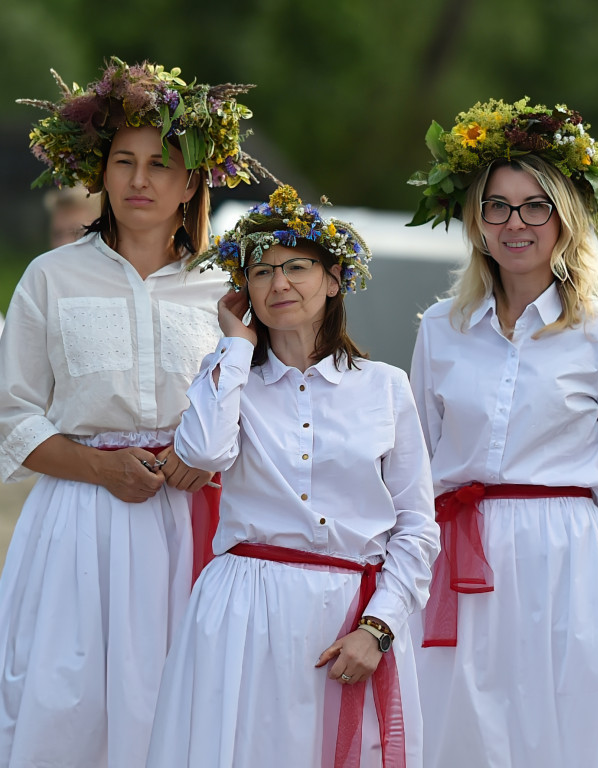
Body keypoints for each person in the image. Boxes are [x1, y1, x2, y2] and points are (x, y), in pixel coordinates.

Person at [0, 57, 277, 768]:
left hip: (200, 523)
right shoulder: (50, 279)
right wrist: (99, 467)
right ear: (101, 172)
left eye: (161, 164)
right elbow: (12, 416)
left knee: (182, 705)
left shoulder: (233, 284)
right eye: (124, 160)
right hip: (80, 522)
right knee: (66, 705)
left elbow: (268, 405)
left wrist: (201, 453)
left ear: (193, 181)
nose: (140, 179)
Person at [145, 185, 439, 767]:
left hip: (347, 615)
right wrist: (233, 348)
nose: (279, 284)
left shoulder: (385, 387)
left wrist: (378, 628)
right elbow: (203, 453)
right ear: (243, 291)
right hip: (242, 613)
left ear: (334, 279)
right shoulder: (226, 377)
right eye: (261, 272)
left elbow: (417, 527)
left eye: (297, 267)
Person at [407, 97, 598, 768]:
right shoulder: (440, 327)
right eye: (498, 206)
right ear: (477, 221)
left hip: (569, 562)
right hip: (459, 555)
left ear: (564, 219)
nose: (515, 223)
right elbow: (418, 459)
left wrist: (586, 556)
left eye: (534, 206)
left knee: (572, 730)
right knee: (462, 726)